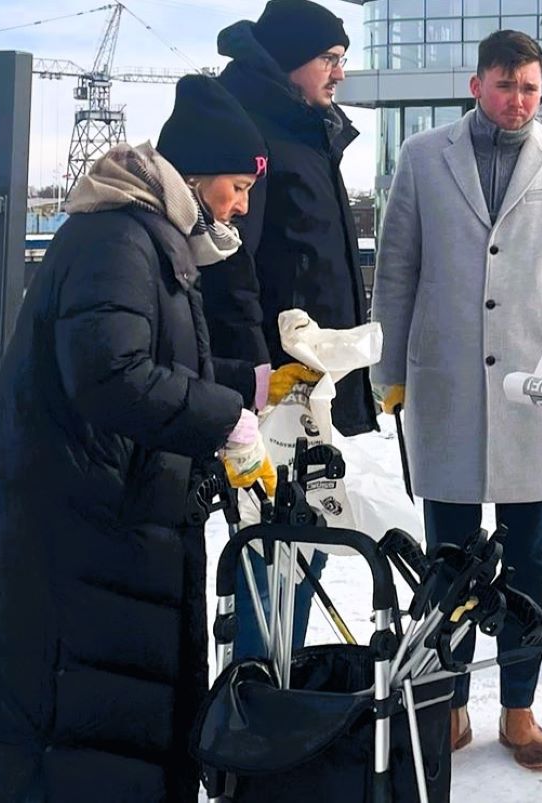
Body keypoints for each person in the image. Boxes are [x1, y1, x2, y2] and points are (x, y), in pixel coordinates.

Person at [0, 75, 274, 802]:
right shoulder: (120, 234)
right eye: (237, 186)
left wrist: (251, 384)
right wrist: (223, 416)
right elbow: (109, 372)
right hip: (75, 541)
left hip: (106, 533)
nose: (239, 205)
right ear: (200, 173)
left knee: (102, 743)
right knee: (58, 744)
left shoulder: (145, 235)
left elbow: (149, 356)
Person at [371, 29, 542, 771]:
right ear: (476, 84)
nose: (518, 101)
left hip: (534, 390)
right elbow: (396, 271)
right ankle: (448, 707)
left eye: (531, 89)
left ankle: (518, 708)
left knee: (527, 563)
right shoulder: (422, 157)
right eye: (506, 85)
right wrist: (388, 372)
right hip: (444, 382)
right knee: (445, 563)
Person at [206, 0, 366, 661]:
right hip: (277, 387)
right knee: (277, 546)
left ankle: (273, 684)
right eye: (329, 59)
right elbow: (233, 265)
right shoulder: (255, 132)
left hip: (313, 378)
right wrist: (255, 373)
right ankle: (257, 698)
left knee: (300, 541)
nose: (340, 74)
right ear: (293, 60)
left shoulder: (304, 127)